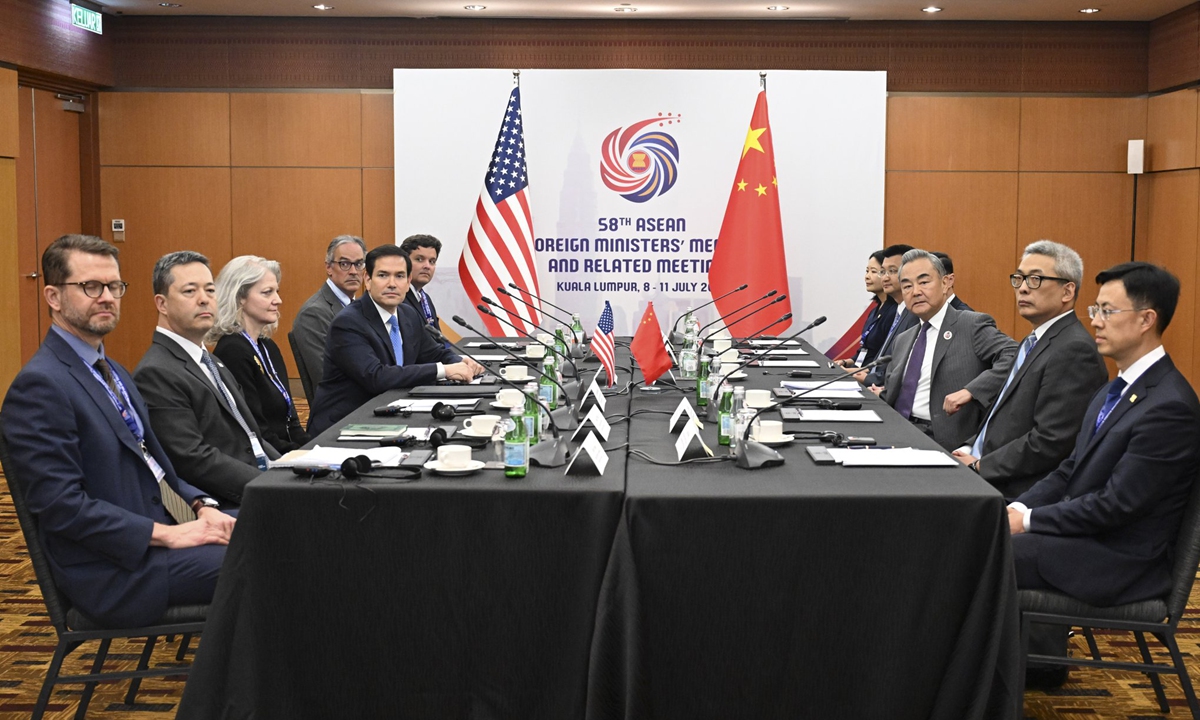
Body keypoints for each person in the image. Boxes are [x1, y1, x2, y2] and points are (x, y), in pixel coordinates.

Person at [0, 235, 233, 628]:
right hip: (116, 570)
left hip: (162, 530)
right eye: (91, 286)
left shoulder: (114, 371)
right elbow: (60, 507)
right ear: (53, 297)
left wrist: (200, 506)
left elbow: (151, 462)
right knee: (266, 559)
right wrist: (168, 535)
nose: (107, 297)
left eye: (114, 286)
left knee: (279, 524)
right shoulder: (40, 386)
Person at [1009, 262, 1200, 688]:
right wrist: (1018, 507)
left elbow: (1118, 505)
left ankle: (987, 683)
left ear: (1146, 319)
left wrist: (1030, 521)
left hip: (1121, 560)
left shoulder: (1170, 407)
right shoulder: (1115, 389)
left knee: (989, 553)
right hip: (1089, 539)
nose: (1094, 320)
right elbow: (1070, 469)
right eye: (1095, 309)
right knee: (988, 537)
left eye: (1107, 311)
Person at [951, 241, 1108, 499]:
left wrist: (979, 465)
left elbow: (1050, 441)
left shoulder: (1074, 350)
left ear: (1067, 291)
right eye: (1019, 278)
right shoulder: (1034, 340)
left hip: (1015, 491)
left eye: (1036, 279)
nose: (1023, 288)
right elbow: (1004, 417)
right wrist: (969, 448)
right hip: (982, 466)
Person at [134, 251, 280, 506]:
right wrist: (271, 486)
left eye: (210, 290)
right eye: (190, 291)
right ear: (162, 304)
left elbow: (251, 436)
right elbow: (193, 458)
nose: (204, 299)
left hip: (261, 481)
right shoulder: (156, 372)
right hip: (228, 504)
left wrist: (288, 469)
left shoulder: (210, 360)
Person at [307, 245, 486, 436]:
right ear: (367, 280)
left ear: (408, 282)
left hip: (392, 414)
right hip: (344, 425)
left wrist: (460, 362)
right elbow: (377, 377)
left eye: (400, 276)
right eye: (383, 275)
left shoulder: (407, 314)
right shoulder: (348, 322)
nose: (392, 284)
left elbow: (434, 352)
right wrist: (444, 370)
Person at [877, 249, 1017, 451]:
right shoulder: (903, 339)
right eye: (907, 286)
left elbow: (1015, 355)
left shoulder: (970, 324)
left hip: (940, 439)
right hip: (896, 432)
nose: (915, 291)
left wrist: (971, 391)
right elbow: (892, 395)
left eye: (924, 282)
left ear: (946, 283)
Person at [211, 255, 311, 453]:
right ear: (239, 297)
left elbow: (291, 422)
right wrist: (300, 454)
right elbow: (257, 433)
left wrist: (313, 448)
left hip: (285, 451)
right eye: (267, 293)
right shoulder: (233, 352)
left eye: (276, 291)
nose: (278, 300)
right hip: (266, 458)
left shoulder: (268, 346)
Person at [292, 235, 367, 400]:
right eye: (345, 264)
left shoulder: (360, 307)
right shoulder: (313, 314)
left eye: (359, 264)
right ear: (329, 267)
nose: (354, 271)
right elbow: (326, 377)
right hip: (342, 405)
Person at [860, 243, 915, 386]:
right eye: (883, 272)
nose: (885, 278)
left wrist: (867, 378)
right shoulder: (899, 312)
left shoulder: (915, 316)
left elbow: (904, 369)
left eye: (892, 271)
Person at [835, 249, 896, 368]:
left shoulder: (894, 312)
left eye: (873, 271)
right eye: (867, 271)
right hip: (859, 370)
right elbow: (866, 350)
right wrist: (846, 362)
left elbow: (884, 356)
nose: (867, 276)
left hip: (871, 374)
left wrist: (861, 372)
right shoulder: (874, 311)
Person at [399, 233, 443, 329]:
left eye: (432, 261)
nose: (427, 266)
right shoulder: (397, 297)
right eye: (419, 259)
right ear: (404, 262)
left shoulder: (425, 298)